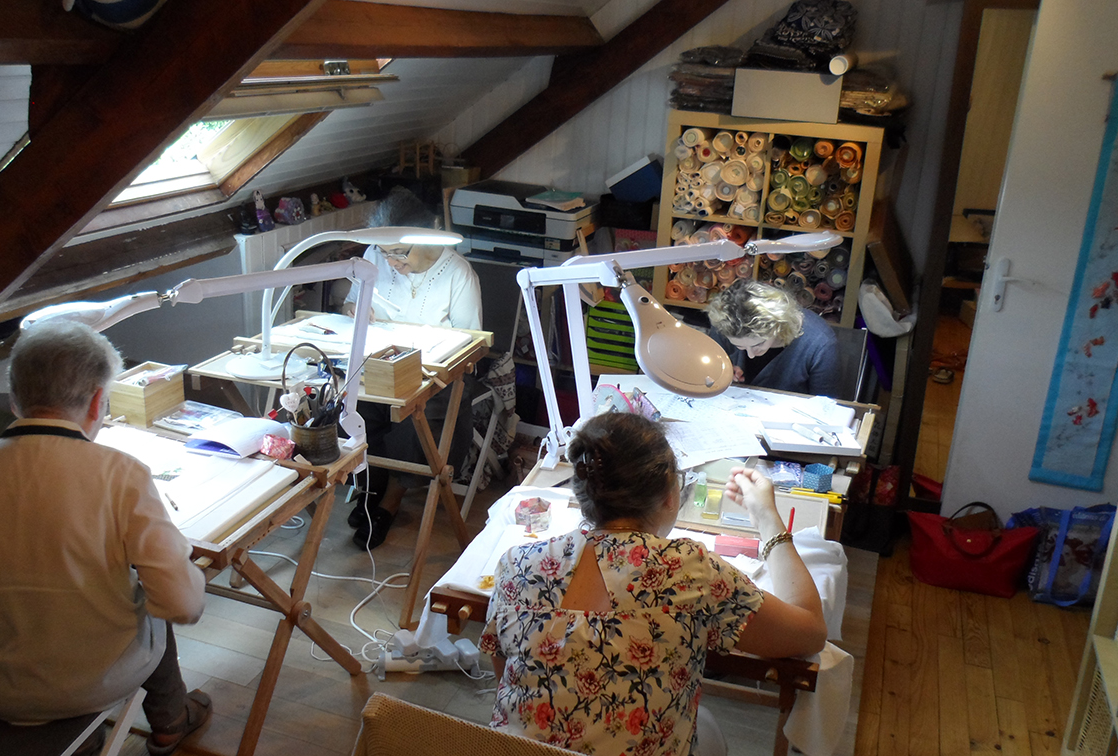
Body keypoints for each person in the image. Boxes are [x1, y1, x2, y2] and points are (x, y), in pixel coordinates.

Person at [0, 320, 211, 756]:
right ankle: (169, 720)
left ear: (14, 399)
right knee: (151, 594)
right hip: (89, 684)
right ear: (97, 401)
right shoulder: (122, 474)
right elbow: (183, 604)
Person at [480, 413, 826, 756]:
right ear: (670, 495)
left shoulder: (517, 565)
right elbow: (809, 632)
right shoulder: (690, 570)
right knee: (705, 728)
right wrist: (767, 518)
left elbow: (506, 680)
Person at [342, 187, 483, 549]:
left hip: (436, 377)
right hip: (380, 366)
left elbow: (471, 349)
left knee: (413, 417)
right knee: (355, 407)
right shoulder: (374, 257)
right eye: (385, 252)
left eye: (400, 252)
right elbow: (350, 306)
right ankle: (371, 485)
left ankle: (390, 500)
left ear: (427, 234)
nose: (391, 262)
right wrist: (356, 311)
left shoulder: (458, 275)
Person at [707, 279, 840, 397]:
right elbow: (707, 377)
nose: (751, 355)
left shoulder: (820, 344)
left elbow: (825, 407)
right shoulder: (724, 326)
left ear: (777, 325)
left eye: (758, 344)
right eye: (739, 346)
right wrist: (721, 374)